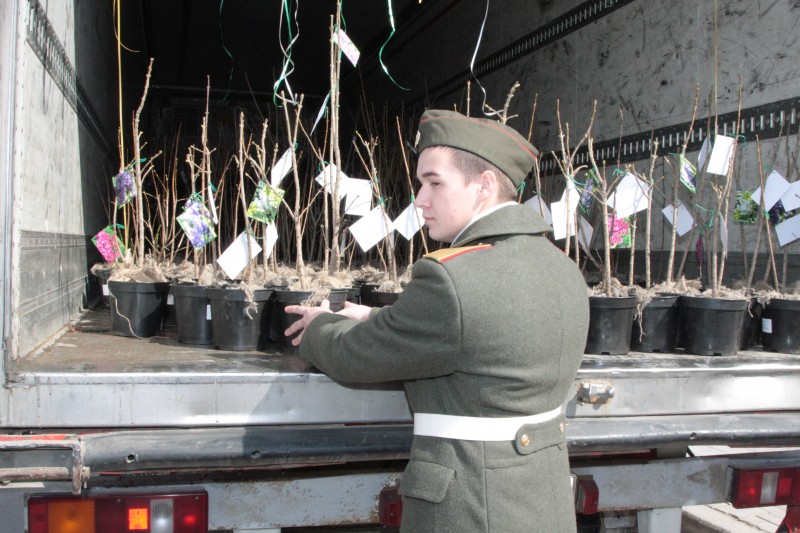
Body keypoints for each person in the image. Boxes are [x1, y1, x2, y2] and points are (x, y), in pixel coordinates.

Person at [284, 109, 589, 532]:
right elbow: (479, 339)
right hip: (542, 501)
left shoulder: (453, 277)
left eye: (434, 183)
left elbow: (357, 357)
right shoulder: (560, 266)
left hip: (470, 507)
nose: (421, 199)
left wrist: (319, 325)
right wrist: (374, 314)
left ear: (483, 185)